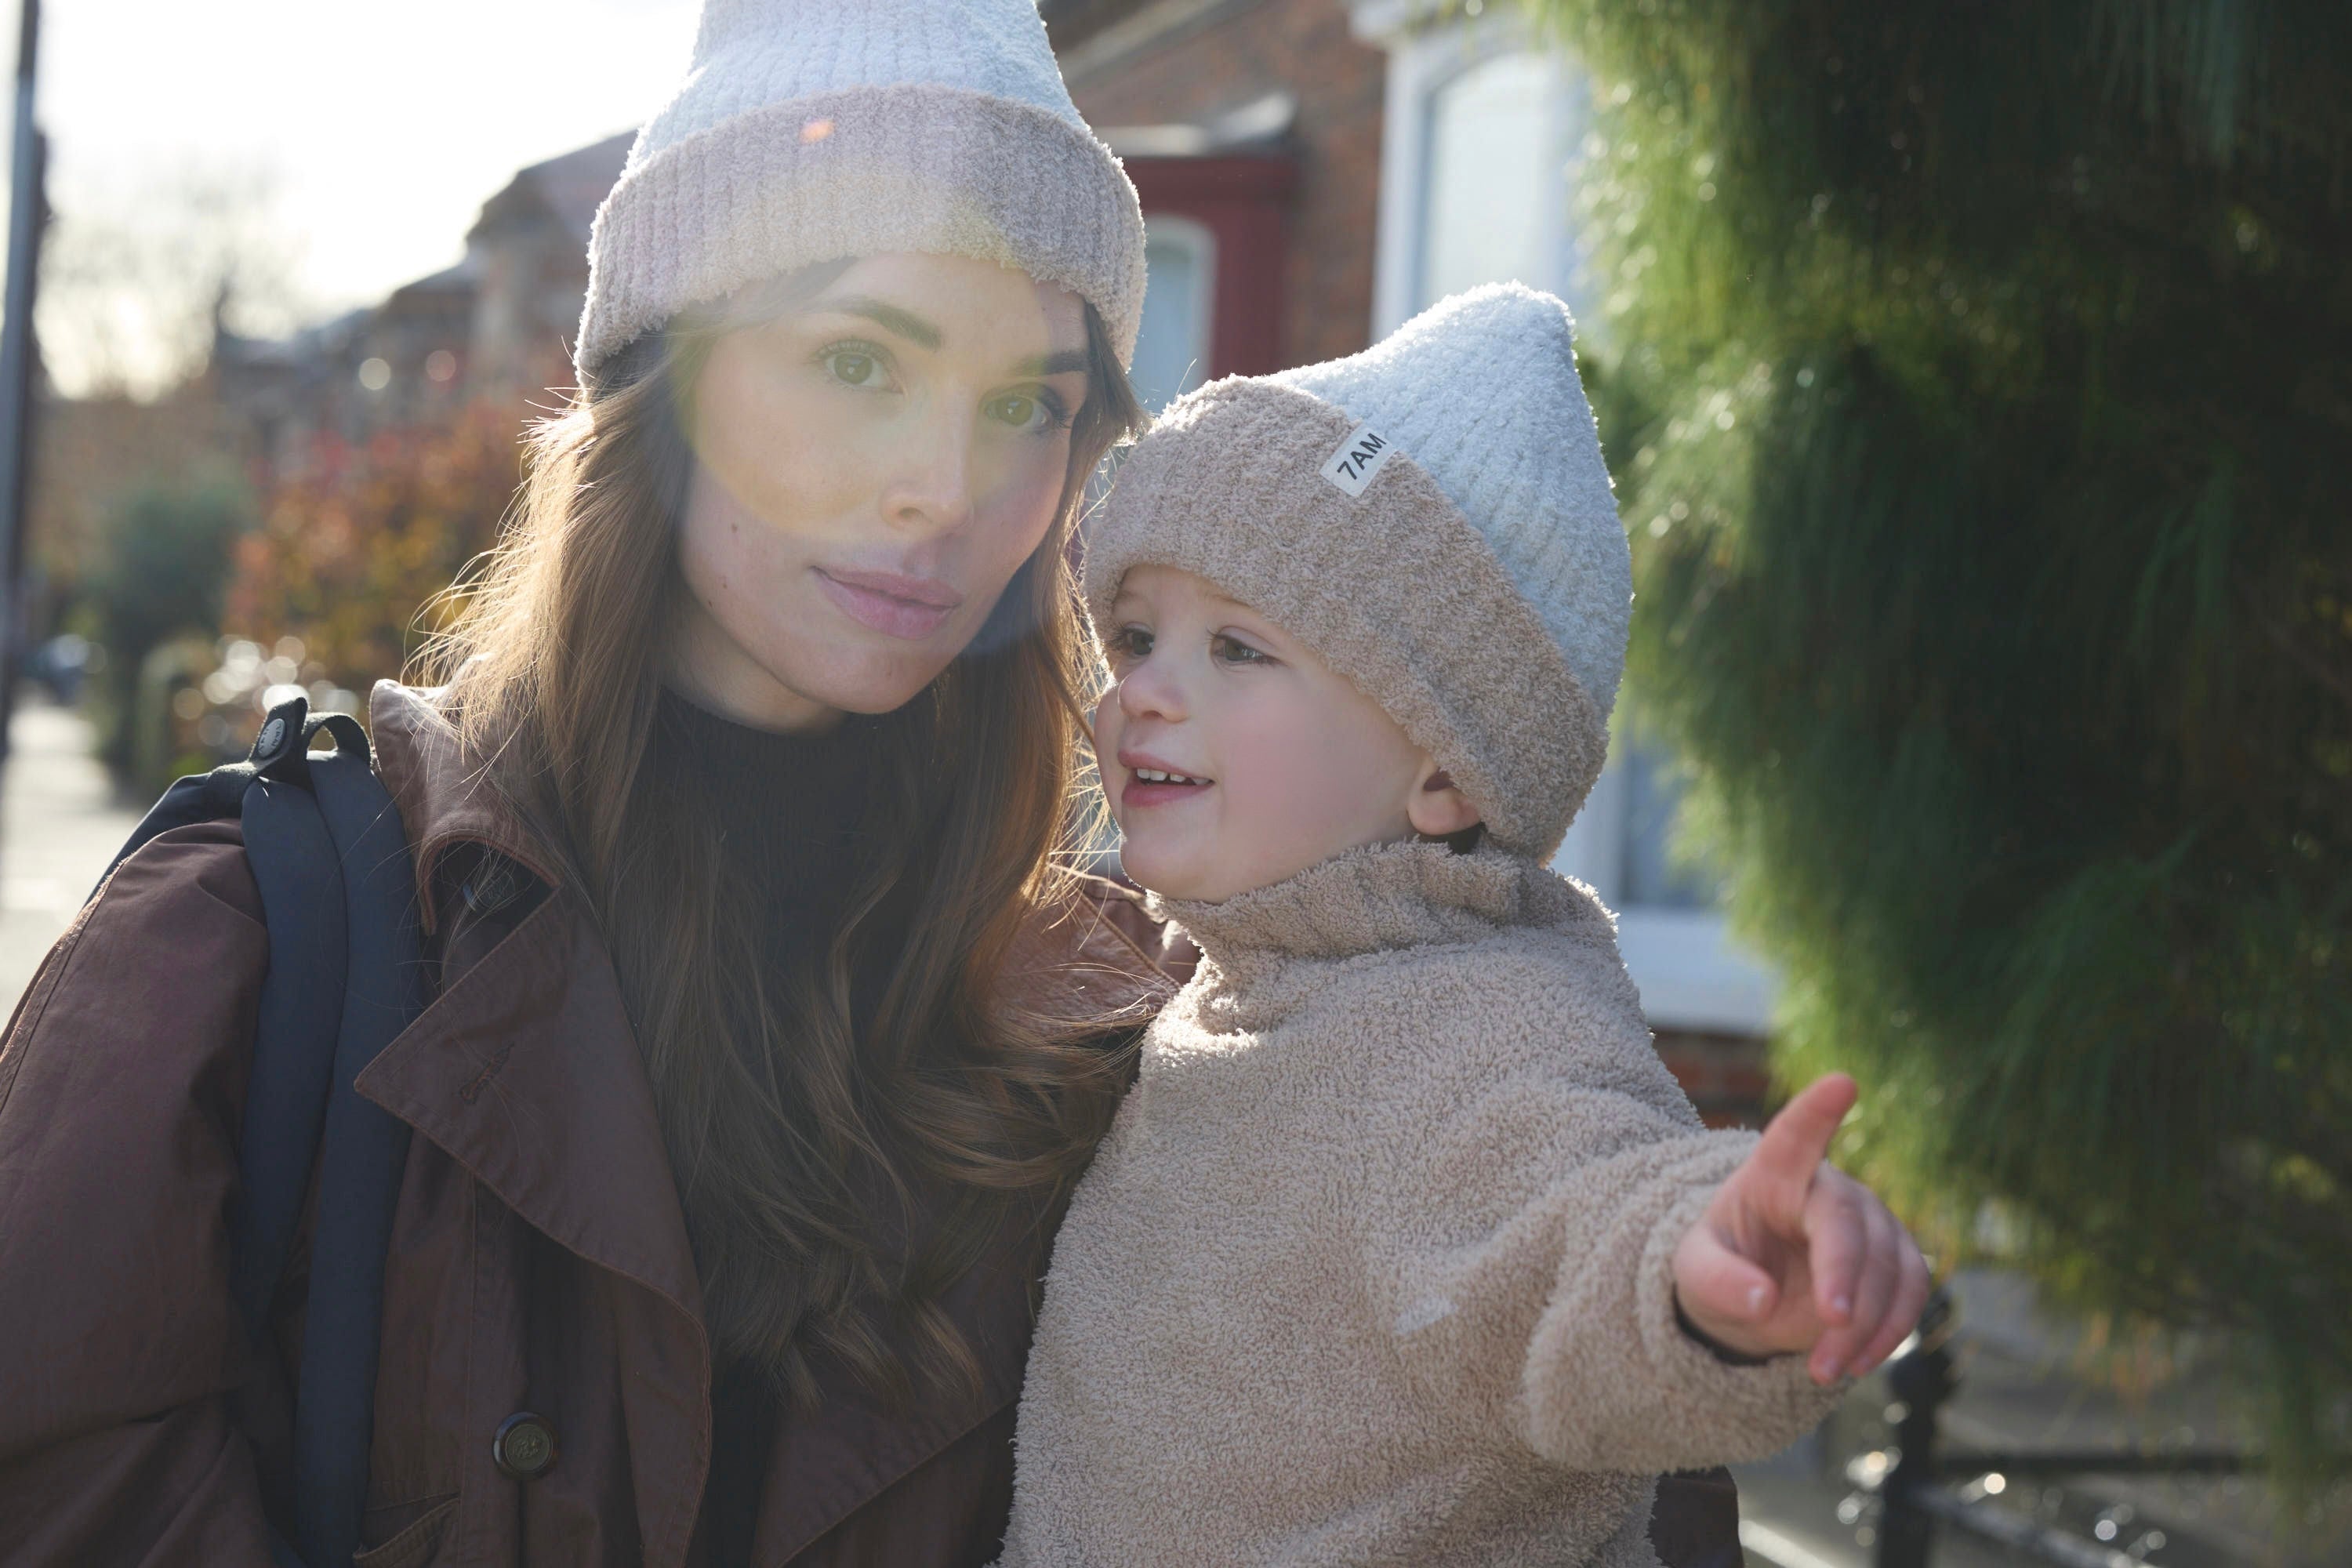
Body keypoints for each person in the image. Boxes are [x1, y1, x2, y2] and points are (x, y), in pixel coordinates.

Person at [0, 2, 1171, 1563]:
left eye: (1033, 402)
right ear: (660, 383)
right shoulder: (247, 949)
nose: (950, 488)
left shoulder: (1108, 1024)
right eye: (855, 357)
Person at [997, 285, 1935, 1565]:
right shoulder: (1248, 995)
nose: (1145, 692)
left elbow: (1570, 1222)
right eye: (1139, 635)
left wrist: (1700, 1269)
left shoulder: (1473, 1032)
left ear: (1447, 774)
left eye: (1240, 649)